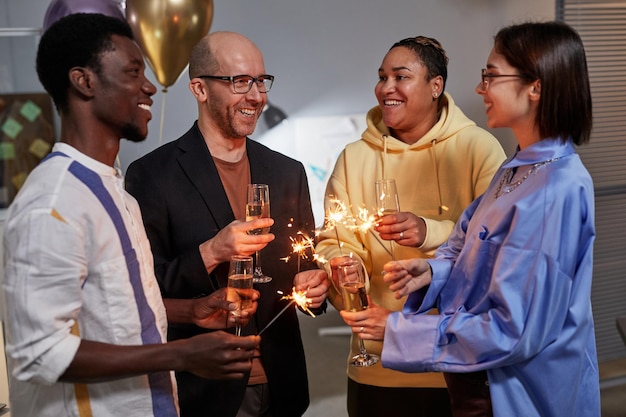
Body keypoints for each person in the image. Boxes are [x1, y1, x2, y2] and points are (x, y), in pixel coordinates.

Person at [0, 13, 262, 417]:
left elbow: (121, 303)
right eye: (133, 72)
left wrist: (192, 311)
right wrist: (180, 354)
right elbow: (38, 354)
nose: (150, 87)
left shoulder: (114, 190)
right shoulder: (52, 203)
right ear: (83, 81)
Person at [368, 21, 599, 417]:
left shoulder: (554, 190)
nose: (480, 89)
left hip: (520, 393)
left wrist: (399, 329)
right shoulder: (517, 168)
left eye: (490, 76)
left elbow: (516, 330)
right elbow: (465, 244)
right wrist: (431, 273)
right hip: (480, 380)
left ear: (536, 87)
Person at [125, 31, 329, 417]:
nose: (256, 95)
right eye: (239, 81)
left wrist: (317, 286)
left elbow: (307, 262)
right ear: (199, 88)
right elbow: (142, 288)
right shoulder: (152, 175)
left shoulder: (288, 172)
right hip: (203, 391)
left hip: (283, 384)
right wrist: (212, 251)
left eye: (261, 81)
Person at [315, 36, 506, 417]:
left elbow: (498, 245)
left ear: (436, 86)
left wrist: (429, 231)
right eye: (382, 77)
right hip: (377, 366)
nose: (386, 88)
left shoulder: (478, 149)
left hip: (457, 362)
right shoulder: (355, 157)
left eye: (400, 77)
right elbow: (332, 239)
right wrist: (339, 263)